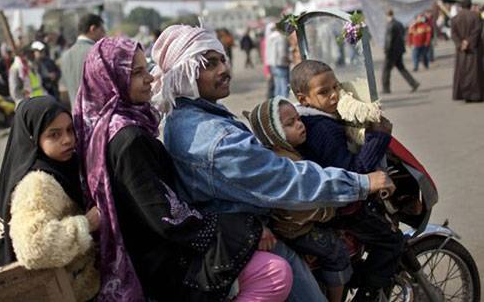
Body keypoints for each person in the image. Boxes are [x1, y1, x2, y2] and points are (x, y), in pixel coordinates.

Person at [151, 24, 395, 302]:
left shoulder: (187, 114)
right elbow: (284, 179)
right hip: (244, 237)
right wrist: (362, 182)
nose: (223, 69)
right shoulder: (214, 139)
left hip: (241, 225)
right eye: (208, 64)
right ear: (184, 74)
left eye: (221, 59)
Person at [73, 36, 293, 301]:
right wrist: (245, 230)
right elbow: (167, 216)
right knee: (275, 273)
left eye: (147, 69)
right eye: (136, 73)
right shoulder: (128, 138)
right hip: (161, 260)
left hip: (150, 248)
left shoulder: (105, 126)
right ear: (110, 78)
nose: (150, 79)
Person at [290, 60, 405, 301]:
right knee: (391, 241)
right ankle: (369, 294)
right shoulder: (323, 128)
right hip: (341, 205)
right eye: (324, 92)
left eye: (336, 87)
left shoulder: (308, 119)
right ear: (303, 99)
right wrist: (378, 137)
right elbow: (352, 173)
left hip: (320, 202)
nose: (333, 96)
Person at [0, 96, 100, 302]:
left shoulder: (63, 167)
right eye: (54, 134)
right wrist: (86, 224)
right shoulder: (37, 183)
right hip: (66, 292)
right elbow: (34, 247)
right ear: (33, 138)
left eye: (70, 130)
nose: (67, 140)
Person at [244, 97, 351, 302]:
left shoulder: (283, 153)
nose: (300, 125)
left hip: (288, 226)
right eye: (290, 124)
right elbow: (303, 207)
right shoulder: (286, 162)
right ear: (273, 134)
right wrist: (329, 211)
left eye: (298, 119)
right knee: (337, 251)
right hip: (297, 229)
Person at [60, 13, 105, 108]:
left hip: (76, 116)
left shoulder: (65, 56)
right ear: (92, 29)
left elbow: (63, 91)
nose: (103, 34)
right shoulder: (98, 52)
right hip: (97, 115)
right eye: (102, 30)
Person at [450, 0, 484, 102]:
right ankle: (475, 94)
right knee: (475, 73)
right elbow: (477, 31)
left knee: (462, 72)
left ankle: (465, 95)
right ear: (470, 5)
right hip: (474, 50)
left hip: (461, 51)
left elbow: (453, 34)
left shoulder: (455, 19)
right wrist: (468, 42)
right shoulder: (476, 16)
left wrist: (461, 44)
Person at [382, 9, 419, 94]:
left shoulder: (390, 25)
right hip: (399, 50)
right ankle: (414, 83)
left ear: (387, 16)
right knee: (401, 68)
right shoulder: (399, 23)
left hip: (392, 51)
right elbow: (403, 34)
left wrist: (386, 50)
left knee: (386, 70)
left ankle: (386, 88)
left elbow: (389, 40)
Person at [266, 24, 291, 97]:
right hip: (281, 63)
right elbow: (282, 52)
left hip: (272, 64)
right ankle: (284, 102)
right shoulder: (281, 37)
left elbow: (267, 52)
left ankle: (277, 104)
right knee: (284, 86)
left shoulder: (270, 37)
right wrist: (288, 60)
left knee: (277, 86)